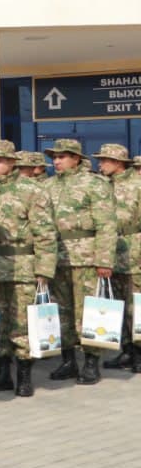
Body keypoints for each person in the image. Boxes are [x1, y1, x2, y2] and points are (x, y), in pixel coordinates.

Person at [0, 140, 56, 396]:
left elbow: (45, 233)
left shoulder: (31, 190)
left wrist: (43, 270)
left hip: (21, 266)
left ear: (12, 162)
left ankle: (24, 375)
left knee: (22, 323)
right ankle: (1, 374)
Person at [45, 139, 117, 385]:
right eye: (54, 157)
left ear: (76, 158)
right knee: (61, 312)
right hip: (56, 258)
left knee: (88, 312)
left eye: (62, 157)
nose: (56, 161)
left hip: (86, 257)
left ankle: (90, 362)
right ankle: (68, 360)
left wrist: (104, 259)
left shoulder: (93, 184)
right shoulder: (48, 186)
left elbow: (106, 224)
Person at [97, 144, 140, 372]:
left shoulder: (137, 185)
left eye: (105, 160)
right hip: (111, 253)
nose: (101, 164)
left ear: (119, 162)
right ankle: (126, 350)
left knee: (137, 306)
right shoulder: (103, 186)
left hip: (133, 251)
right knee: (118, 304)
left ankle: (140, 353)